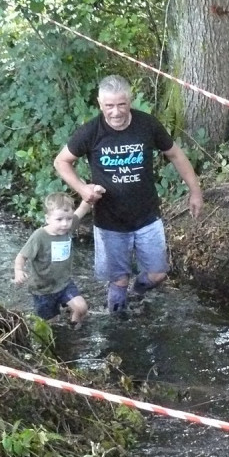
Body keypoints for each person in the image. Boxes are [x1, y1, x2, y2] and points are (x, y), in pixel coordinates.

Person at [54, 75, 203, 313]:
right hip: (110, 221)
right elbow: (62, 161)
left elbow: (175, 154)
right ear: (100, 104)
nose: (115, 112)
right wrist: (82, 188)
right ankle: (118, 323)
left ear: (130, 101)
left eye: (121, 104)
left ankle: (137, 295)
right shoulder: (91, 131)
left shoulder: (147, 125)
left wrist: (195, 191)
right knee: (118, 281)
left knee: (157, 274)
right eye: (109, 106)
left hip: (147, 216)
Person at [13, 191, 95, 325]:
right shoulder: (39, 236)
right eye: (59, 219)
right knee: (51, 323)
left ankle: (74, 327)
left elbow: (83, 208)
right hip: (43, 290)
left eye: (68, 219)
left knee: (81, 308)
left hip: (64, 284)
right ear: (47, 219)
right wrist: (18, 271)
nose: (65, 224)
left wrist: (91, 194)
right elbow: (21, 256)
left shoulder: (68, 228)